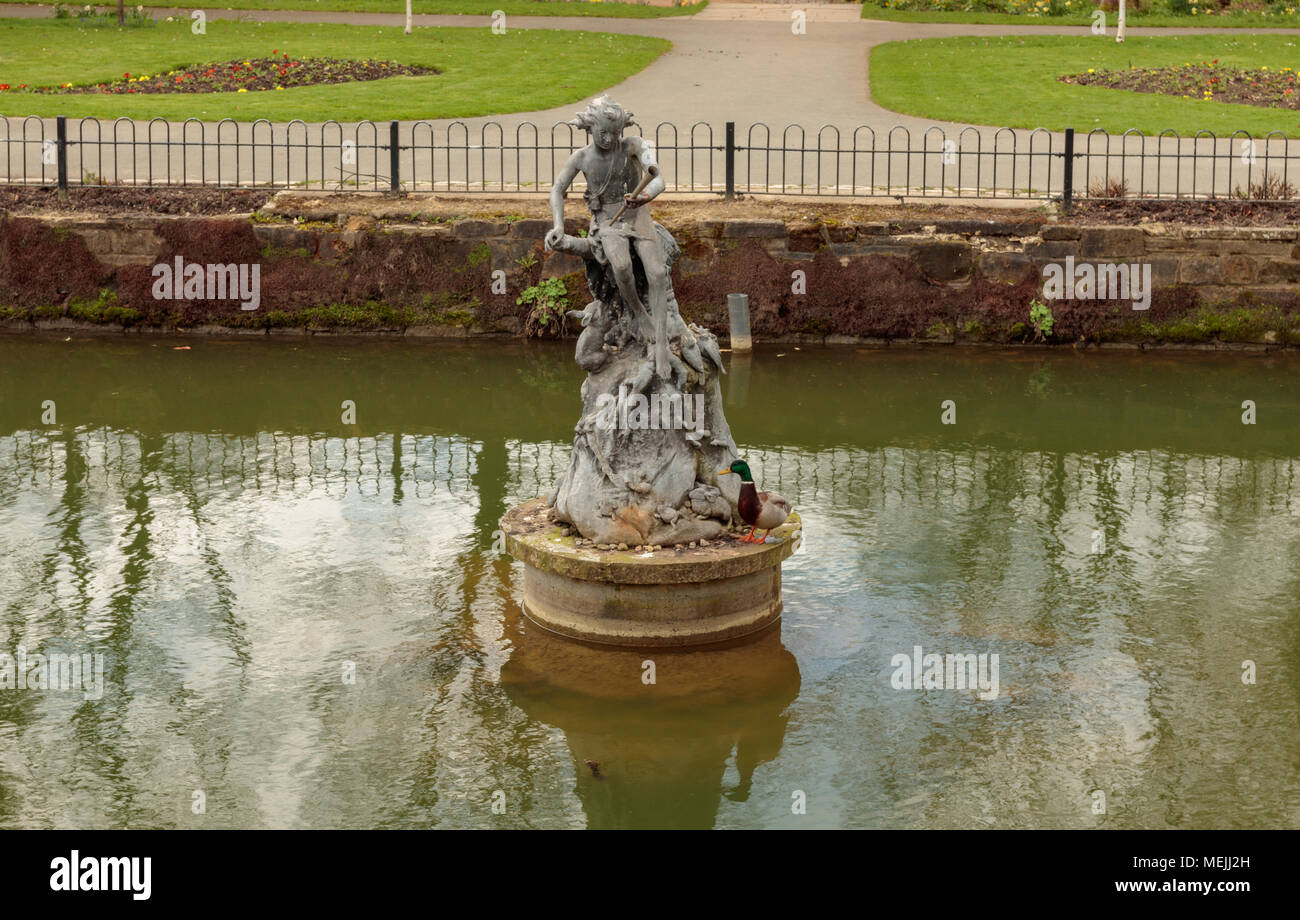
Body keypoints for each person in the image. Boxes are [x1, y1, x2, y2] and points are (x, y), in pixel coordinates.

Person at [546, 96, 671, 380]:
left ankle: (662, 343)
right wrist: (558, 226)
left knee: (657, 273)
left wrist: (645, 196)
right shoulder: (582, 158)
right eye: (603, 132)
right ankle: (639, 313)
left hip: (636, 211)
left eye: (615, 132)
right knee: (622, 267)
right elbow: (557, 190)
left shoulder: (633, 145)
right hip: (607, 219)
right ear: (591, 127)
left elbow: (658, 178)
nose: (609, 138)